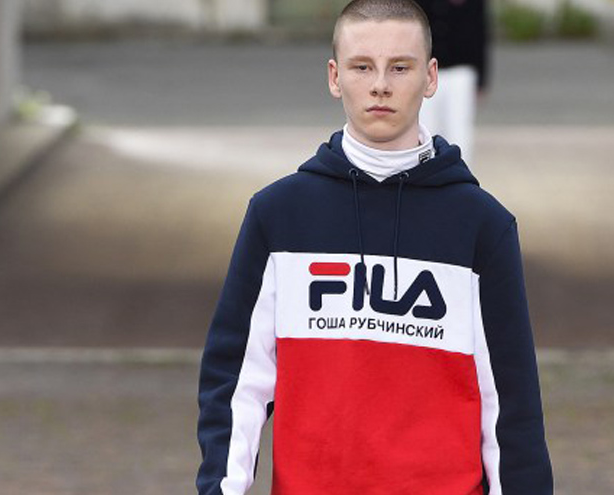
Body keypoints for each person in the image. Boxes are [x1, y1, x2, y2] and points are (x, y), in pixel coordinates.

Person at [196, 0, 552, 494]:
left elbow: (510, 406)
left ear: (430, 77)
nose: (380, 84)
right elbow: (238, 381)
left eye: (399, 67)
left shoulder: (481, 225)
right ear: (334, 76)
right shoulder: (279, 215)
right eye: (362, 66)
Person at [417, 0, 490, 164]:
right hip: (426, 70)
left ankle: (461, 174)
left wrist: (482, 79)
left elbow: (480, 31)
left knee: (459, 129)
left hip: (461, 70)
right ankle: (427, 173)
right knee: (425, 128)